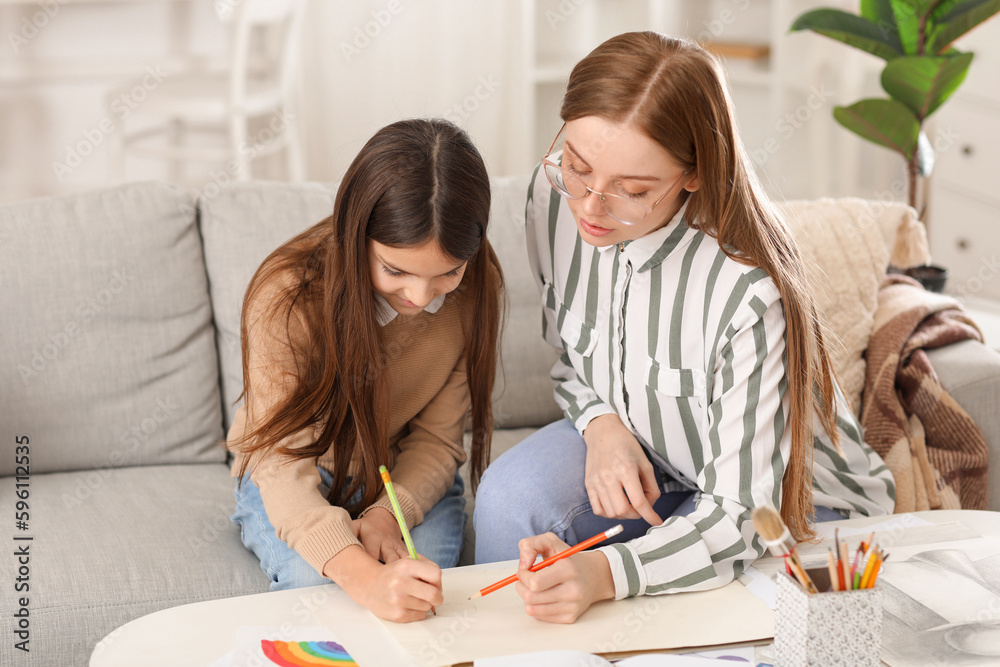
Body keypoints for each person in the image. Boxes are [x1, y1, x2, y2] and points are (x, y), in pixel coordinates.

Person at [473, 32, 894, 624]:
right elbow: (571, 357)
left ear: (693, 175)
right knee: (509, 499)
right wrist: (600, 424)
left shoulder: (745, 294)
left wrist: (607, 574)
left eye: (633, 190)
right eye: (577, 164)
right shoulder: (553, 202)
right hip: (660, 463)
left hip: (789, 511)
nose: (590, 208)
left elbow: (744, 516)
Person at [228, 118, 504, 623]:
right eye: (395, 271)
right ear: (355, 236)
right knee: (322, 596)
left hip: (401, 481)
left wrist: (385, 515)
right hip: (302, 471)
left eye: (448, 273)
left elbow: (438, 442)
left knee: (420, 607)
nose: (420, 299)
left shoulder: (479, 289)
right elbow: (279, 461)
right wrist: (363, 575)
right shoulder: (287, 298)